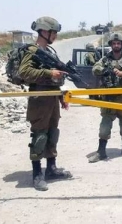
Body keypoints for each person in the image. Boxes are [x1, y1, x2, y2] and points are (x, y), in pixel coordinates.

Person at [18, 16, 72, 192]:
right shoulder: (32, 51)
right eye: (53, 32)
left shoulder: (49, 51)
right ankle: (36, 174)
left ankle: (51, 168)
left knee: (52, 134)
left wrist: (60, 97)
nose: (55, 36)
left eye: (55, 33)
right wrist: (49, 73)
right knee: (40, 136)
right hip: (39, 100)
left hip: (51, 99)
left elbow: (55, 78)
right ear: (44, 31)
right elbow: (24, 71)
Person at [88, 32, 122, 163]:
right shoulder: (105, 59)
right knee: (105, 125)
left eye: (118, 43)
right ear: (111, 45)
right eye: (114, 43)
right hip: (109, 97)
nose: (116, 45)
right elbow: (95, 69)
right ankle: (101, 151)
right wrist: (103, 70)